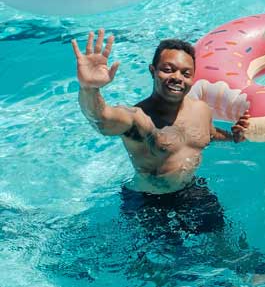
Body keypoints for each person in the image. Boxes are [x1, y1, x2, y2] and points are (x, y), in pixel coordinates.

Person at [74, 29, 250, 232]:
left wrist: (232, 137)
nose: (177, 77)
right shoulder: (137, 118)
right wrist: (89, 88)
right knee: (161, 261)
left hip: (191, 189)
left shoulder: (201, 109)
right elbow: (101, 119)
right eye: (168, 69)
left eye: (186, 73)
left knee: (224, 242)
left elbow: (207, 134)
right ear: (152, 71)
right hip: (148, 201)